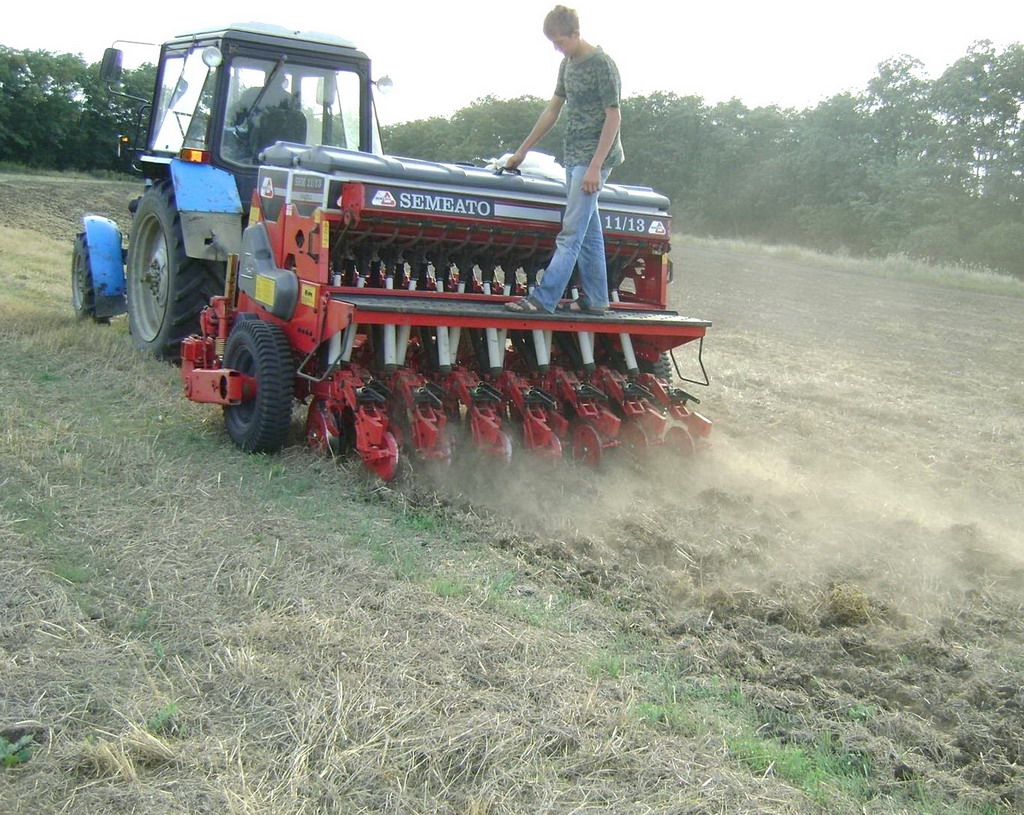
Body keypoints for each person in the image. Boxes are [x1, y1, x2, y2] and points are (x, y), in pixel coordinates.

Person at [504, 5, 624, 315]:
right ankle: (598, 301)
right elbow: (552, 110)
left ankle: (543, 300)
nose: (558, 48)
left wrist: (596, 166)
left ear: (576, 33)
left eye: (561, 41)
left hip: (594, 158)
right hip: (573, 157)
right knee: (588, 232)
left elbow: (614, 117)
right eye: (553, 43)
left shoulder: (603, 64)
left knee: (570, 232)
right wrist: (522, 150)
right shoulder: (566, 64)